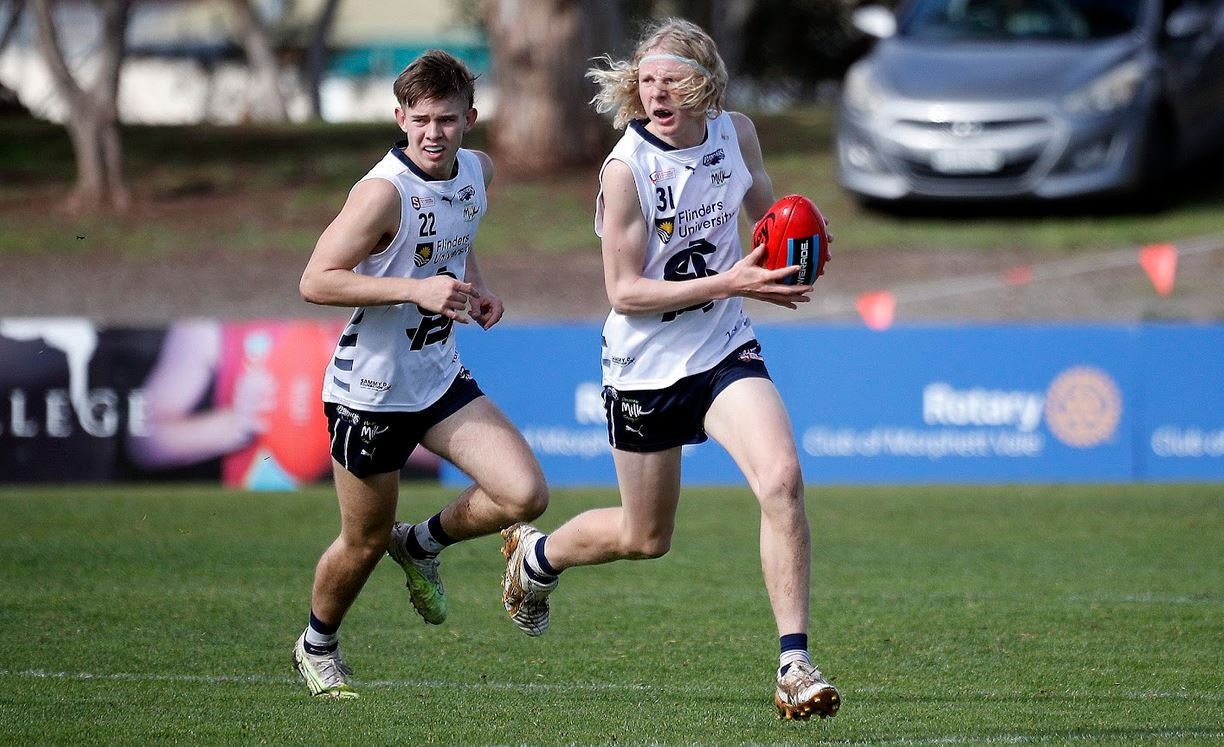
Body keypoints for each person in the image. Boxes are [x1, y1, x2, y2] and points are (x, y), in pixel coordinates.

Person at [497, 18, 841, 721]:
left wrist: (793, 240)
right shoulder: (626, 170)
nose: (658, 92)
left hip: (722, 348)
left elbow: (766, 216)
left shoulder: (735, 133)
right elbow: (623, 292)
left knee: (781, 478)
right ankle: (535, 560)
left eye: (674, 79)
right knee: (645, 536)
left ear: (706, 86)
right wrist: (731, 281)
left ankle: (794, 664)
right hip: (644, 367)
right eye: (648, 79)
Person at [291, 49, 549, 699]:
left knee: (524, 494)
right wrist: (418, 289)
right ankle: (316, 643)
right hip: (370, 393)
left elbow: (457, 239)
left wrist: (476, 290)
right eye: (422, 119)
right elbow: (315, 279)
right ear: (400, 117)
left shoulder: (478, 172)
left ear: (472, 118)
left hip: (437, 378)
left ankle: (422, 543)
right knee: (361, 539)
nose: (434, 133)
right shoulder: (382, 193)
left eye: (448, 119)